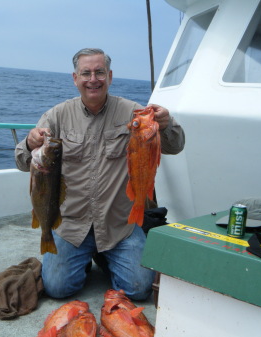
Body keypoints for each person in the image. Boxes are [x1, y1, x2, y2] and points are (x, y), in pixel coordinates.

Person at [15, 48, 185, 300]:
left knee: (139, 289)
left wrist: (167, 123)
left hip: (119, 225)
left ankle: (105, 257)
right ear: (75, 78)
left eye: (99, 72)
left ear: (110, 76)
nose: (93, 79)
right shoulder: (56, 116)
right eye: (86, 73)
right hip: (72, 226)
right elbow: (21, 161)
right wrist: (29, 143)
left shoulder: (134, 113)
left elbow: (174, 146)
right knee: (57, 288)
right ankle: (83, 258)